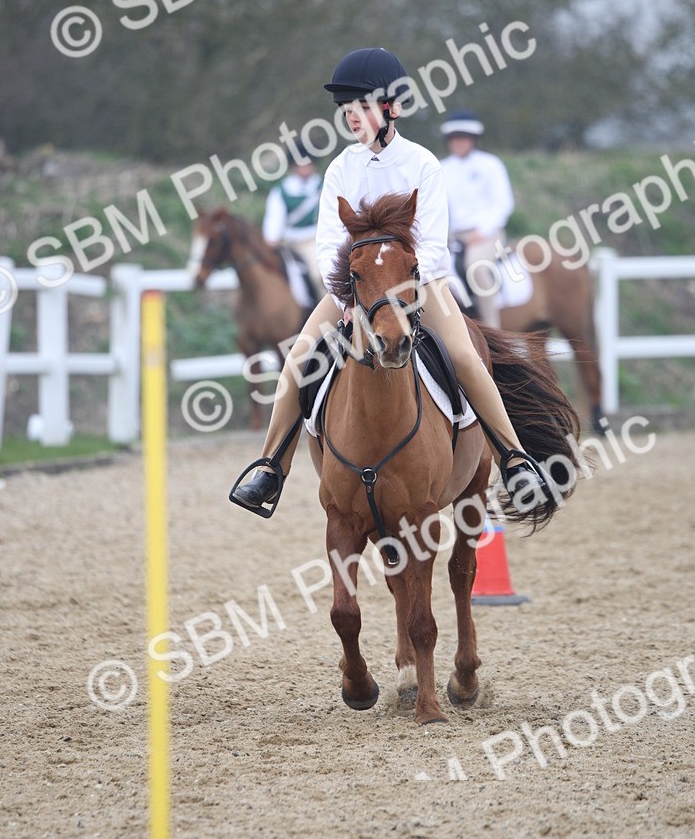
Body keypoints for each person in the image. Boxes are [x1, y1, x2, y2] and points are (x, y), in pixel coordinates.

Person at [230, 47, 551, 513]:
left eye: (359, 107)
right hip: (355, 289)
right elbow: (326, 244)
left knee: (464, 355)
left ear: (390, 108)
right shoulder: (341, 167)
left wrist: (404, 294)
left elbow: (436, 245)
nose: (350, 118)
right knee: (298, 358)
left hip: (421, 285)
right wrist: (345, 294)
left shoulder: (422, 164)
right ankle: (269, 468)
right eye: (345, 110)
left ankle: (515, 460)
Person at [440, 110, 515, 327]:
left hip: (487, 234)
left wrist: (482, 231)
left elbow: (503, 203)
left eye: (463, 138)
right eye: (454, 139)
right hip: (453, 235)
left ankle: (493, 327)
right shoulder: (442, 168)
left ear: (473, 140)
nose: (458, 143)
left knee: (477, 267)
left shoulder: (490, 165)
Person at [261, 139, 325, 301]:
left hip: (313, 240)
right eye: (300, 164)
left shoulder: (323, 186)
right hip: (286, 243)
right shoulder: (281, 191)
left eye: (307, 163)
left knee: (319, 275)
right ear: (293, 166)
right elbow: (274, 220)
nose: (304, 167)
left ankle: (329, 315)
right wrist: (271, 238)